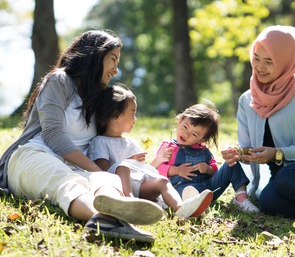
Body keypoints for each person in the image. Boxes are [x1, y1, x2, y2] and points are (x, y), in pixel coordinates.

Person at [0, 30, 165, 243]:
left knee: (106, 178)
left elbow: (108, 138)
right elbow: (53, 133)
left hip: (77, 168)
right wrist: (93, 168)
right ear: (95, 55)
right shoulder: (59, 81)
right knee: (69, 182)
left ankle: (119, 214)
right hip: (33, 157)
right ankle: (102, 218)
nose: (116, 70)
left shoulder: (96, 98)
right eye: (113, 60)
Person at [223, 25, 295, 222]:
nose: (260, 67)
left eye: (269, 61)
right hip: (278, 178)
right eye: (256, 58)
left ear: (286, 60)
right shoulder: (247, 100)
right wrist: (239, 153)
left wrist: (277, 153)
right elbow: (247, 149)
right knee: (270, 203)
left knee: (288, 175)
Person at [88, 84, 213, 219]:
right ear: (116, 115)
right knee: (123, 167)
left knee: (162, 181)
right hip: (118, 186)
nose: (135, 119)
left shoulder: (130, 142)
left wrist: (155, 160)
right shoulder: (100, 141)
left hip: (140, 185)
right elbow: (101, 169)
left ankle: (181, 208)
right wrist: (128, 163)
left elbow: (148, 170)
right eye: (132, 114)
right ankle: (130, 202)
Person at [155, 103, 260, 213]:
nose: (186, 134)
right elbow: (156, 171)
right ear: (180, 120)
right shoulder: (168, 148)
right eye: (185, 127)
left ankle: (241, 198)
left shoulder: (203, 150)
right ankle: (189, 205)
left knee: (231, 164)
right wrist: (176, 170)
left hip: (209, 190)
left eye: (194, 134)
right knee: (181, 194)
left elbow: (214, 169)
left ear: (202, 139)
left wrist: (208, 169)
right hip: (181, 188)